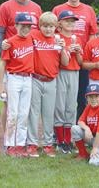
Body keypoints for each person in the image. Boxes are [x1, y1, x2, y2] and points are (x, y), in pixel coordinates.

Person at [0, 0, 42, 134]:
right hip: (12, 62)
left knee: (26, 103)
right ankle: (7, 136)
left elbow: (40, 34)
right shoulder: (6, 6)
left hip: (29, 63)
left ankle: (22, 136)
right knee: (8, 102)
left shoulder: (36, 8)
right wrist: (4, 56)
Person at [52, 0, 98, 121]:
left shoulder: (89, 10)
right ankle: (58, 131)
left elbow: (92, 34)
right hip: (61, 60)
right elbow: (51, 33)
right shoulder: (58, 9)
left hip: (80, 60)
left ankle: (77, 128)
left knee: (80, 96)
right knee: (60, 97)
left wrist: (84, 53)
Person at [25, 12, 69, 158]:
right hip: (36, 79)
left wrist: (63, 48)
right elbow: (20, 40)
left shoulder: (58, 39)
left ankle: (48, 144)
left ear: (56, 27)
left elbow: (65, 62)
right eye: (44, 26)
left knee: (49, 114)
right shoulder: (33, 36)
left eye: (51, 26)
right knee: (34, 113)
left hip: (51, 80)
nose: (48, 29)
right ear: (39, 26)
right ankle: (32, 144)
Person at [0, 13, 35, 157]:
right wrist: (1, 84)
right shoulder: (10, 42)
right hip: (14, 78)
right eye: (23, 25)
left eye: (28, 26)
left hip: (28, 79)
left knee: (24, 113)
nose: (25, 28)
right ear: (16, 26)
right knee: (13, 113)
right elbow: (3, 63)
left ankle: (20, 145)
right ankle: (9, 145)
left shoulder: (32, 38)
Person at [54, 10, 83, 154]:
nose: (70, 23)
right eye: (67, 21)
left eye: (72, 21)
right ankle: (60, 141)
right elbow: (58, 61)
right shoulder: (56, 38)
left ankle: (68, 140)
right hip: (61, 72)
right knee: (60, 105)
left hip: (75, 72)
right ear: (59, 24)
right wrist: (65, 49)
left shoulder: (76, 38)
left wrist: (77, 51)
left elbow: (81, 62)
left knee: (71, 106)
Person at [71, 84, 99, 165]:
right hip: (92, 136)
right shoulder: (89, 107)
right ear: (87, 98)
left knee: (94, 163)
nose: (93, 99)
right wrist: (86, 128)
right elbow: (80, 121)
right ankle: (83, 154)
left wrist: (95, 148)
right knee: (74, 128)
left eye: (96, 96)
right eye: (90, 97)